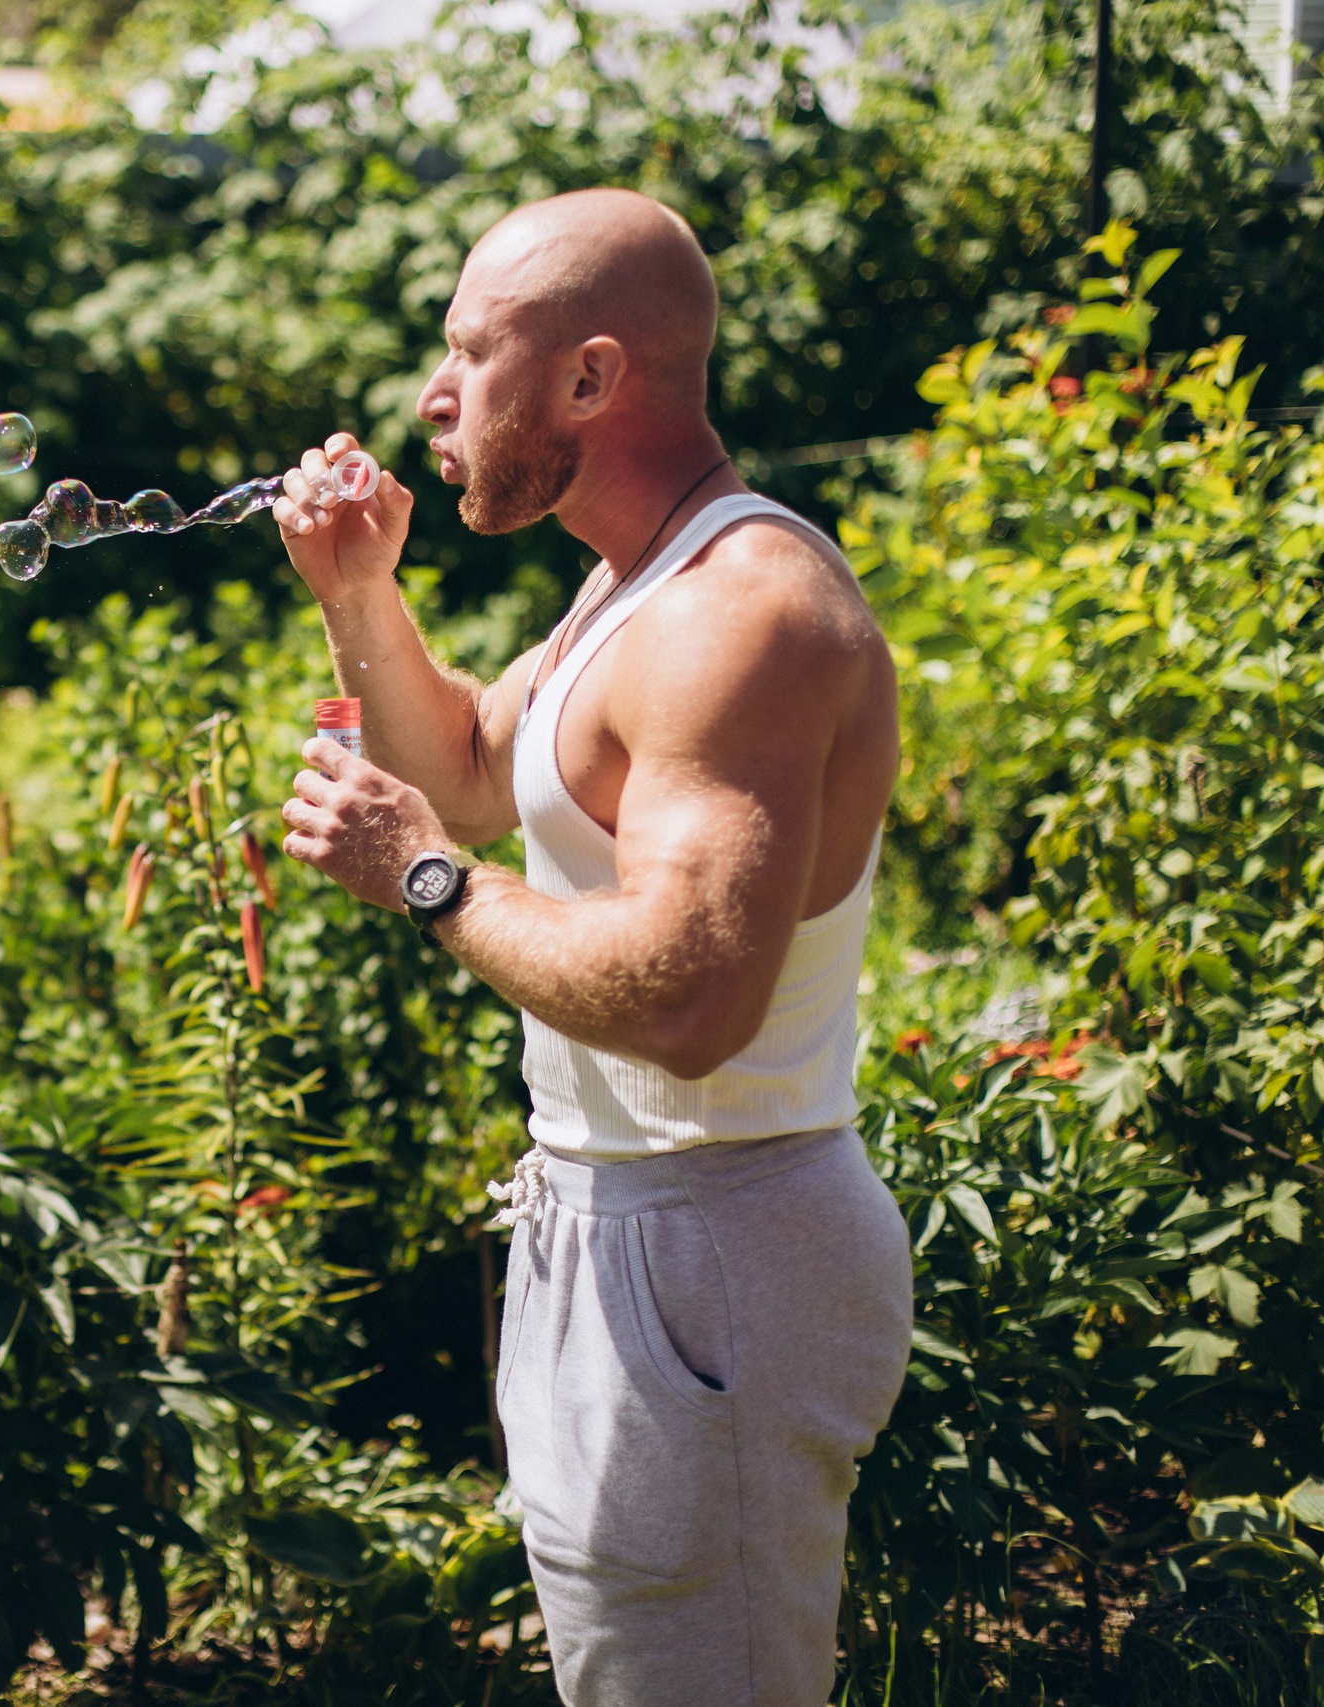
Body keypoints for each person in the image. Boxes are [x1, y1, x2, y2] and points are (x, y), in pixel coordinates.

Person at [271, 188, 913, 1706]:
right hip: (620, 1216)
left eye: (468, 352)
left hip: (716, 1235)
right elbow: (481, 767)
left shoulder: (740, 612)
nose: (432, 395)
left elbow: (694, 993)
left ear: (589, 378)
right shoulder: (632, 588)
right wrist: (362, 591)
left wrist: (425, 878)